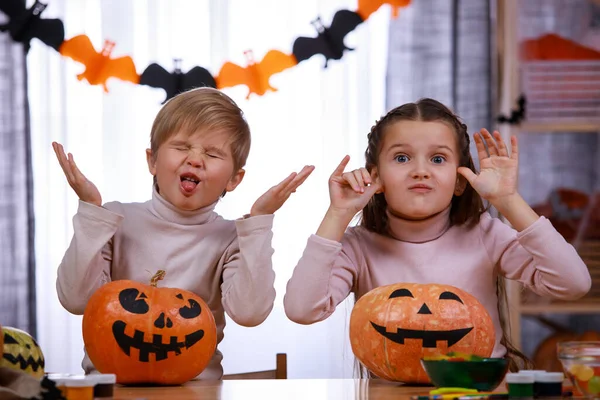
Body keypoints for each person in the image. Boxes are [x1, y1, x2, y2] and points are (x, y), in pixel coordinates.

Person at [283, 98, 591, 372]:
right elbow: (301, 309)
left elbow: (574, 283)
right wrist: (337, 215)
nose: (420, 170)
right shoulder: (356, 246)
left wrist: (508, 200)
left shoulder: (485, 234)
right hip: (389, 394)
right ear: (375, 178)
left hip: (479, 391)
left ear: (459, 182)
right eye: (402, 158)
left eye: (438, 159)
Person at [53, 87, 314, 380]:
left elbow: (250, 313)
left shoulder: (232, 238)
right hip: (110, 389)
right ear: (152, 161)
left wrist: (259, 221)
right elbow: (75, 299)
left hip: (196, 392)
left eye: (212, 153)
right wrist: (91, 213)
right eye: (181, 147)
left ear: (234, 179)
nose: (195, 159)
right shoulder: (113, 220)